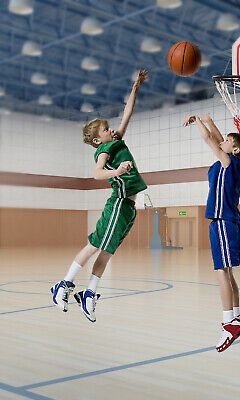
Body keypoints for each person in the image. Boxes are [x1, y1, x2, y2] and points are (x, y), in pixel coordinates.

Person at [50, 69, 148, 322]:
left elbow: (127, 114)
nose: (112, 129)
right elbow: (96, 174)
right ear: (97, 140)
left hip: (128, 207)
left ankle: (88, 292)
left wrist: (135, 87)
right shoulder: (103, 151)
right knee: (95, 245)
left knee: (106, 251)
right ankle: (65, 284)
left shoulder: (116, 141)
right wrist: (117, 170)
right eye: (106, 129)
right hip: (118, 203)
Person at [184, 114, 240, 352]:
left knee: (221, 272)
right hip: (226, 222)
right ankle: (237, 316)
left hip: (223, 222)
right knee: (228, 272)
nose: (221, 141)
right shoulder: (232, 164)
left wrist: (198, 123)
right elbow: (219, 138)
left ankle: (228, 323)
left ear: (233, 149)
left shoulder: (228, 163)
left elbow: (208, 139)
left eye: (227, 142)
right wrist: (210, 120)